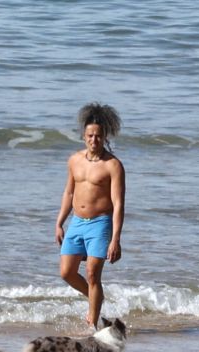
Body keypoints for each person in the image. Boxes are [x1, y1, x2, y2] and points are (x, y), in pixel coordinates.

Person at [55, 104, 126, 330]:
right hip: (77, 222)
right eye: (90, 135)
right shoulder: (74, 160)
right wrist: (59, 222)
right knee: (66, 272)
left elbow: (118, 204)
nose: (94, 140)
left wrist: (116, 239)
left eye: (98, 135)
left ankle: (92, 324)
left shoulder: (113, 165)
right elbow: (68, 192)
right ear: (84, 136)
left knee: (92, 274)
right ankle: (97, 298)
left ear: (105, 137)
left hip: (100, 223)